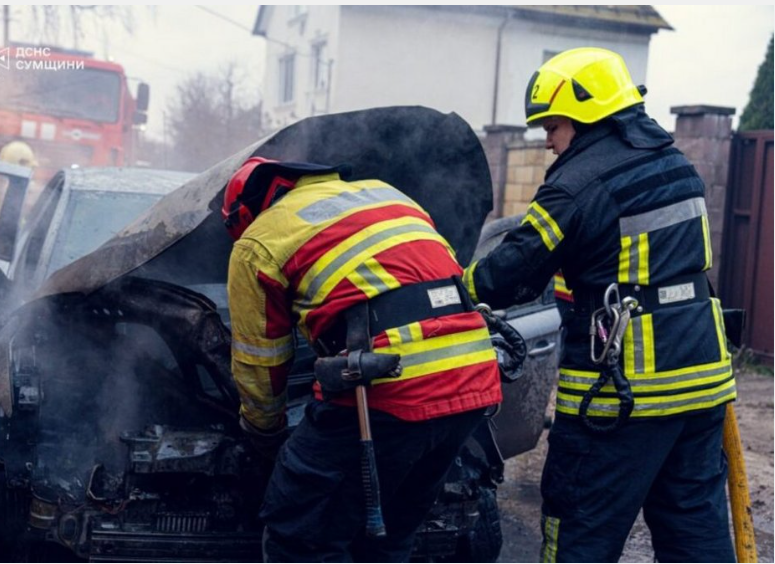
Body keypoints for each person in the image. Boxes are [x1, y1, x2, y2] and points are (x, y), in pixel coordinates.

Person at [463, 47, 736, 562]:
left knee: (579, 527)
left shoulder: (577, 183)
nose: (546, 141)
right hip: (703, 384)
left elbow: (513, 272)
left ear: (587, 115)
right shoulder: (678, 165)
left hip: (623, 396)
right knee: (694, 527)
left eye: (553, 125)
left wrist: (460, 283)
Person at [222, 157, 502, 562]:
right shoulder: (386, 194)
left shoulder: (258, 241)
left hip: (388, 391)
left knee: (300, 537)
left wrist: (265, 433)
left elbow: (260, 360)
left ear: (243, 215)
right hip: (473, 379)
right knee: (390, 539)